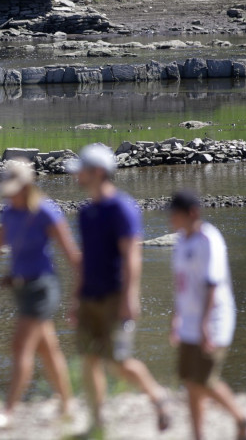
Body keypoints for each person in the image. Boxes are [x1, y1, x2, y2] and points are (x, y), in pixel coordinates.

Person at [0, 160, 81, 428]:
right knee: (48, 350)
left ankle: (8, 412)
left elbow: (71, 255)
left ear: (28, 185)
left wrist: (78, 296)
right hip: (20, 288)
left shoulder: (46, 212)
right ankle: (67, 405)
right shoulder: (8, 213)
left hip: (42, 288)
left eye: (14, 189)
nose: (9, 194)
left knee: (20, 347)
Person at [65, 143, 171, 436]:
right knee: (89, 361)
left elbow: (131, 256)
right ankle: (97, 424)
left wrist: (130, 297)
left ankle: (158, 397)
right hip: (89, 298)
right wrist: (75, 298)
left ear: (98, 172)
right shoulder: (86, 212)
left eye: (82, 171)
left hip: (114, 296)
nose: (77, 177)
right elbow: (85, 259)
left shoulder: (121, 208)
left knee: (119, 362)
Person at [168, 191, 246, 440]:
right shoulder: (181, 241)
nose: (171, 219)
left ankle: (241, 418)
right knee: (190, 382)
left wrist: (205, 325)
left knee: (203, 379)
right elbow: (180, 285)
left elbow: (212, 284)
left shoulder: (209, 239)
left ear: (192, 213)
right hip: (188, 321)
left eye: (175, 214)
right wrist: (176, 318)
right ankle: (198, 435)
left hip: (214, 320)